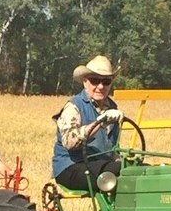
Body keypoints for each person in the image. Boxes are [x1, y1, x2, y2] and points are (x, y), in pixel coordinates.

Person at [51, 55, 124, 191]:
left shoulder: (112, 108)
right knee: (115, 171)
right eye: (95, 80)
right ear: (85, 82)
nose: (100, 86)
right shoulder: (74, 106)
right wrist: (99, 123)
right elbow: (69, 142)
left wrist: (125, 162)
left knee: (134, 171)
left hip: (99, 165)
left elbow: (113, 149)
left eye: (106, 81)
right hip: (70, 167)